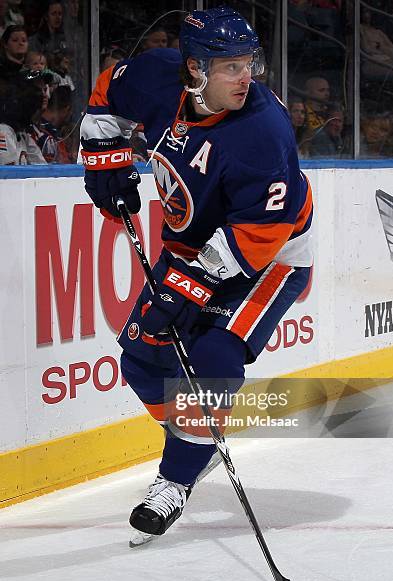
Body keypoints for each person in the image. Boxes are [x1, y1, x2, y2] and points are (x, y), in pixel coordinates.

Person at [80, 6, 313, 539]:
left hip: (270, 255)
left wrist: (187, 289)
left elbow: (258, 235)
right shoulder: (154, 75)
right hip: (189, 242)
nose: (245, 76)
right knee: (139, 360)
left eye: (249, 62)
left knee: (211, 356)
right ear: (194, 68)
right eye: (230, 66)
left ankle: (175, 480)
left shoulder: (264, 131)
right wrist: (105, 160)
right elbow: (103, 100)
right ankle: (196, 440)